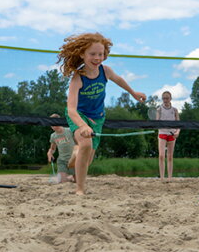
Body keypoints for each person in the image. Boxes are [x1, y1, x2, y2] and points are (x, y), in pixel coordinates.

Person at [57, 33, 147, 195]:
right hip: (79, 115)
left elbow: (119, 80)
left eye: (101, 54)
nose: (97, 58)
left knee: (87, 158)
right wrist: (83, 126)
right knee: (86, 143)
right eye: (93, 54)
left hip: (97, 117)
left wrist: (133, 93)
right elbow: (71, 109)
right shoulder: (78, 77)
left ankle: (76, 155)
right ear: (82, 54)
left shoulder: (105, 71)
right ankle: (80, 190)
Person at [156, 91, 180, 180]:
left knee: (170, 156)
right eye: (164, 98)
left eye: (167, 98)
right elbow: (157, 122)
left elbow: (179, 124)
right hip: (162, 133)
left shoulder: (175, 110)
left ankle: (169, 178)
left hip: (172, 134)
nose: (165, 100)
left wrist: (177, 132)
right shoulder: (159, 109)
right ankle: (162, 177)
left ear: (170, 99)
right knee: (161, 155)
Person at [46, 114, 78, 184]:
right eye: (52, 124)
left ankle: (72, 176)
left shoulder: (70, 131)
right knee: (63, 181)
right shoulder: (53, 136)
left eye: (56, 123)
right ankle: (67, 177)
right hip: (62, 161)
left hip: (73, 160)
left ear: (60, 122)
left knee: (77, 181)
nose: (55, 126)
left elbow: (78, 143)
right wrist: (50, 152)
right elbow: (52, 148)